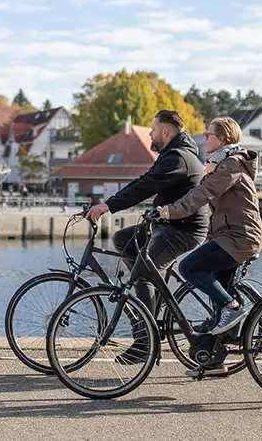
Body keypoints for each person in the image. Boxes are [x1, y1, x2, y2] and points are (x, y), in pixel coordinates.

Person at [86, 109, 211, 364]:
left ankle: (145, 342)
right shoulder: (172, 154)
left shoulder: (179, 157)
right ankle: (151, 304)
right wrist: (108, 203)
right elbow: (143, 180)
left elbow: (144, 188)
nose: (151, 134)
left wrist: (107, 207)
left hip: (183, 229)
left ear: (166, 131)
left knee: (142, 272)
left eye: (153, 130)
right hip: (166, 225)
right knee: (122, 240)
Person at [158, 116, 262, 349]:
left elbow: (203, 193)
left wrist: (170, 211)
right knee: (216, 290)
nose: (205, 137)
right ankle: (215, 356)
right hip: (231, 236)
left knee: (189, 267)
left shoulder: (231, 165)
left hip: (239, 238)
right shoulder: (221, 164)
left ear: (224, 138)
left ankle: (232, 307)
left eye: (209, 134)